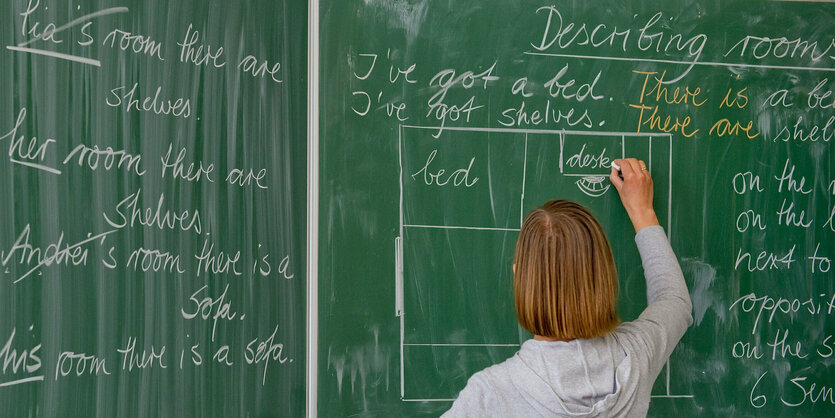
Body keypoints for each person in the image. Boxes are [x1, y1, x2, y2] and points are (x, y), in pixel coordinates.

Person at [442, 158, 693, 417]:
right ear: (603, 278)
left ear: (519, 278)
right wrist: (642, 212)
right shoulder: (636, 355)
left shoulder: (489, 396)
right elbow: (674, 300)